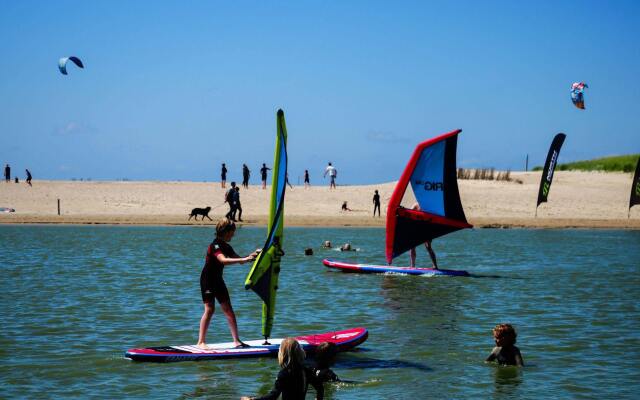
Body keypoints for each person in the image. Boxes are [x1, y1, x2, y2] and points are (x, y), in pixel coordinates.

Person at [198, 219, 259, 349]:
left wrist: (253, 255)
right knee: (210, 309)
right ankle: (201, 342)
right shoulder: (214, 246)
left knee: (228, 310)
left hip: (218, 280)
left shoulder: (227, 246)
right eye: (232, 232)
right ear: (225, 232)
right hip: (207, 280)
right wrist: (244, 259)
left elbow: (241, 260)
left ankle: (236, 341)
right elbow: (223, 260)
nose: (233, 235)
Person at [241, 338, 323, 400]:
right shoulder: (306, 370)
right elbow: (320, 388)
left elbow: (273, 396)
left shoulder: (284, 374)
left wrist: (253, 399)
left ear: (282, 354)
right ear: (299, 352)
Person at [409, 203, 438, 269]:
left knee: (428, 247)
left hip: (426, 229)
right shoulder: (415, 205)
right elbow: (409, 214)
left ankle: (435, 266)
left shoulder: (429, 206)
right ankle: (412, 266)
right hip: (417, 229)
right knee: (412, 246)